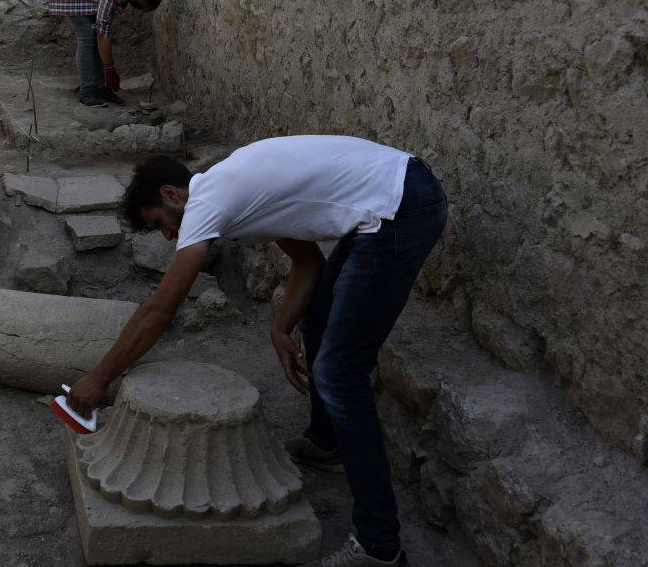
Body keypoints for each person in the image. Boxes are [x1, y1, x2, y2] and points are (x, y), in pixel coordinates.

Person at [65, 136, 448, 567]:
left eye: (160, 223)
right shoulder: (235, 192)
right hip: (394, 195)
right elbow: (308, 263)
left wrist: (100, 378)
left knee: (341, 373)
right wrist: (279, 326)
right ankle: (327, 443)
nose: (169, 235)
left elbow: (160, 310)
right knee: (317, 313)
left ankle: (380, 548)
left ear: (172, 194)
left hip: (398, 208)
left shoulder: (210, 199)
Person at [48, 0, 164, 108]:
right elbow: (103, 36)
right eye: (140, 3)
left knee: (95, 35)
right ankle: (87, 91)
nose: (139, 8)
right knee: (87, 38)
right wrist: (110, 69)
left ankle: (101, 89)